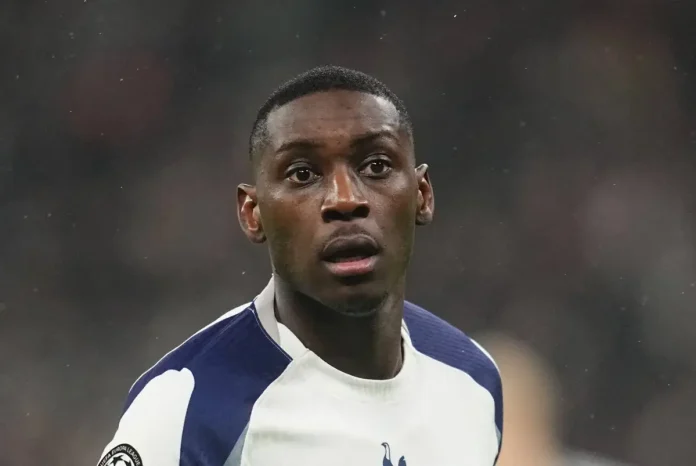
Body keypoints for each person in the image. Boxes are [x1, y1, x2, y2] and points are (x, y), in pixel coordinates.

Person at [96, 66, 503, 466]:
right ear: (252, 213)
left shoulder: (473, 382)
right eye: (303, 173)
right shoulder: (186, 411)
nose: (345, 199)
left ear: (422, 195)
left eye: (376, 166)